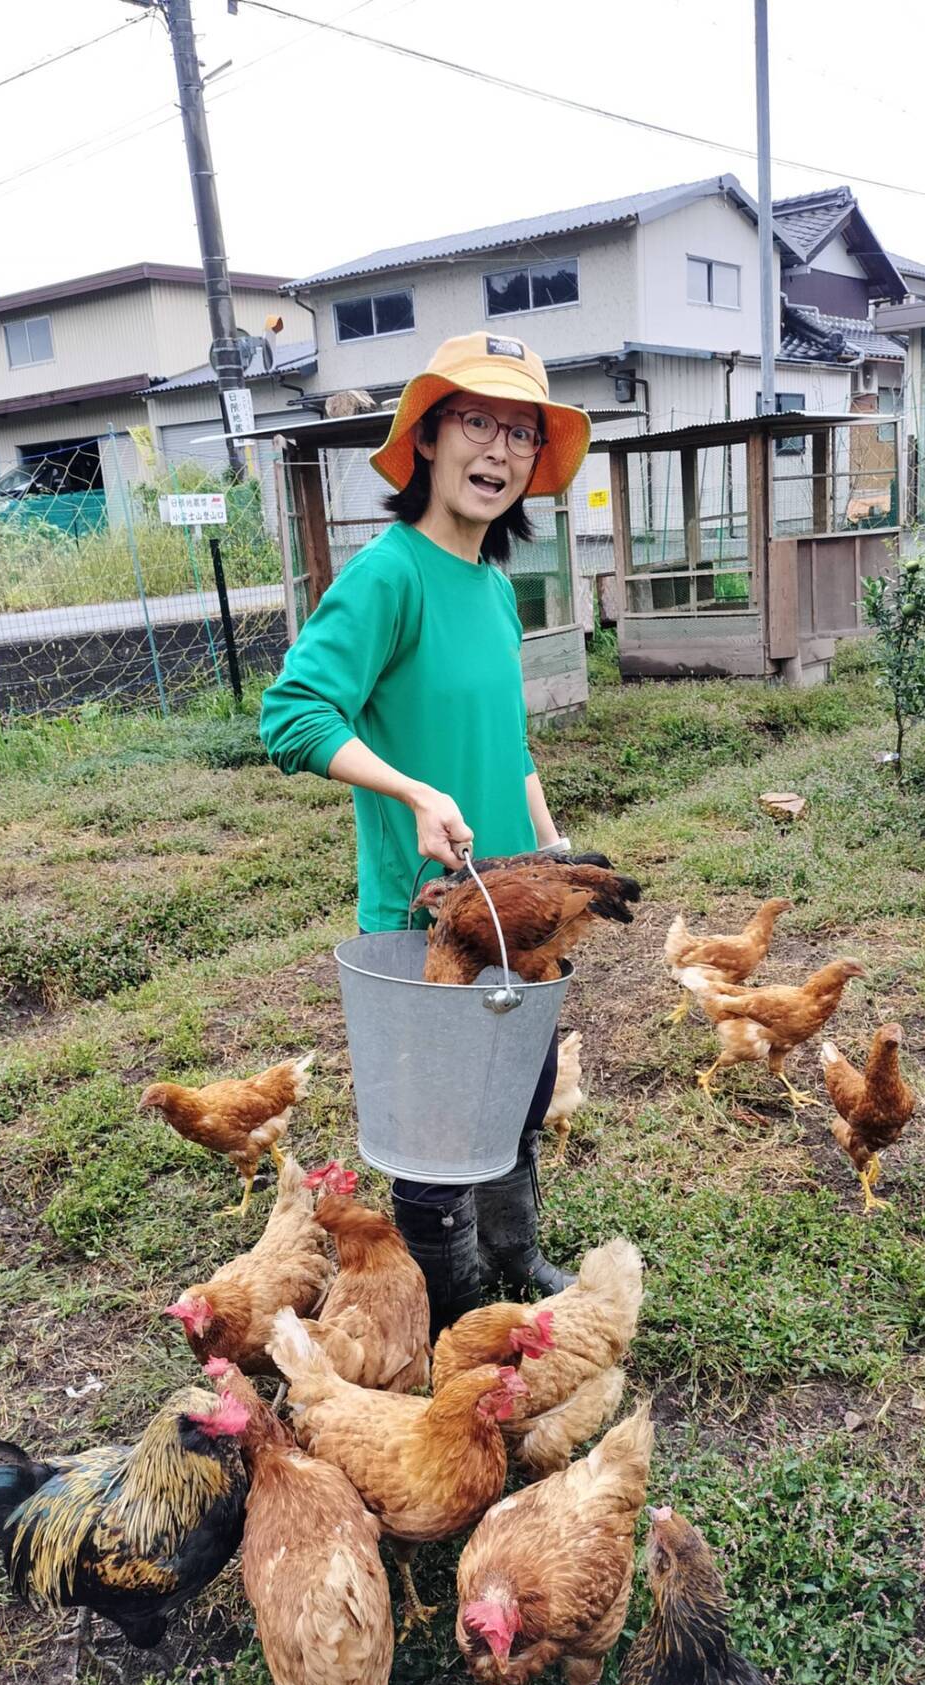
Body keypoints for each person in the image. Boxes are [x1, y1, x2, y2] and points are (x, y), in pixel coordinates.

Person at [259, 330, 591, 1328]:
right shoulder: (388, 575)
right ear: (430, 440)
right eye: (477, 422)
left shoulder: (492, 586)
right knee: (440, 1137)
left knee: (520, 1093)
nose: (499, 450)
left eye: (521, 434)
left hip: (514, 905)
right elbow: (293, 714)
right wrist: (412, 793)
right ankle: (449, 1318)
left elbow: (511, 740)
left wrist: (551, 848)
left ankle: (513, 1252)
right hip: (427, 916)